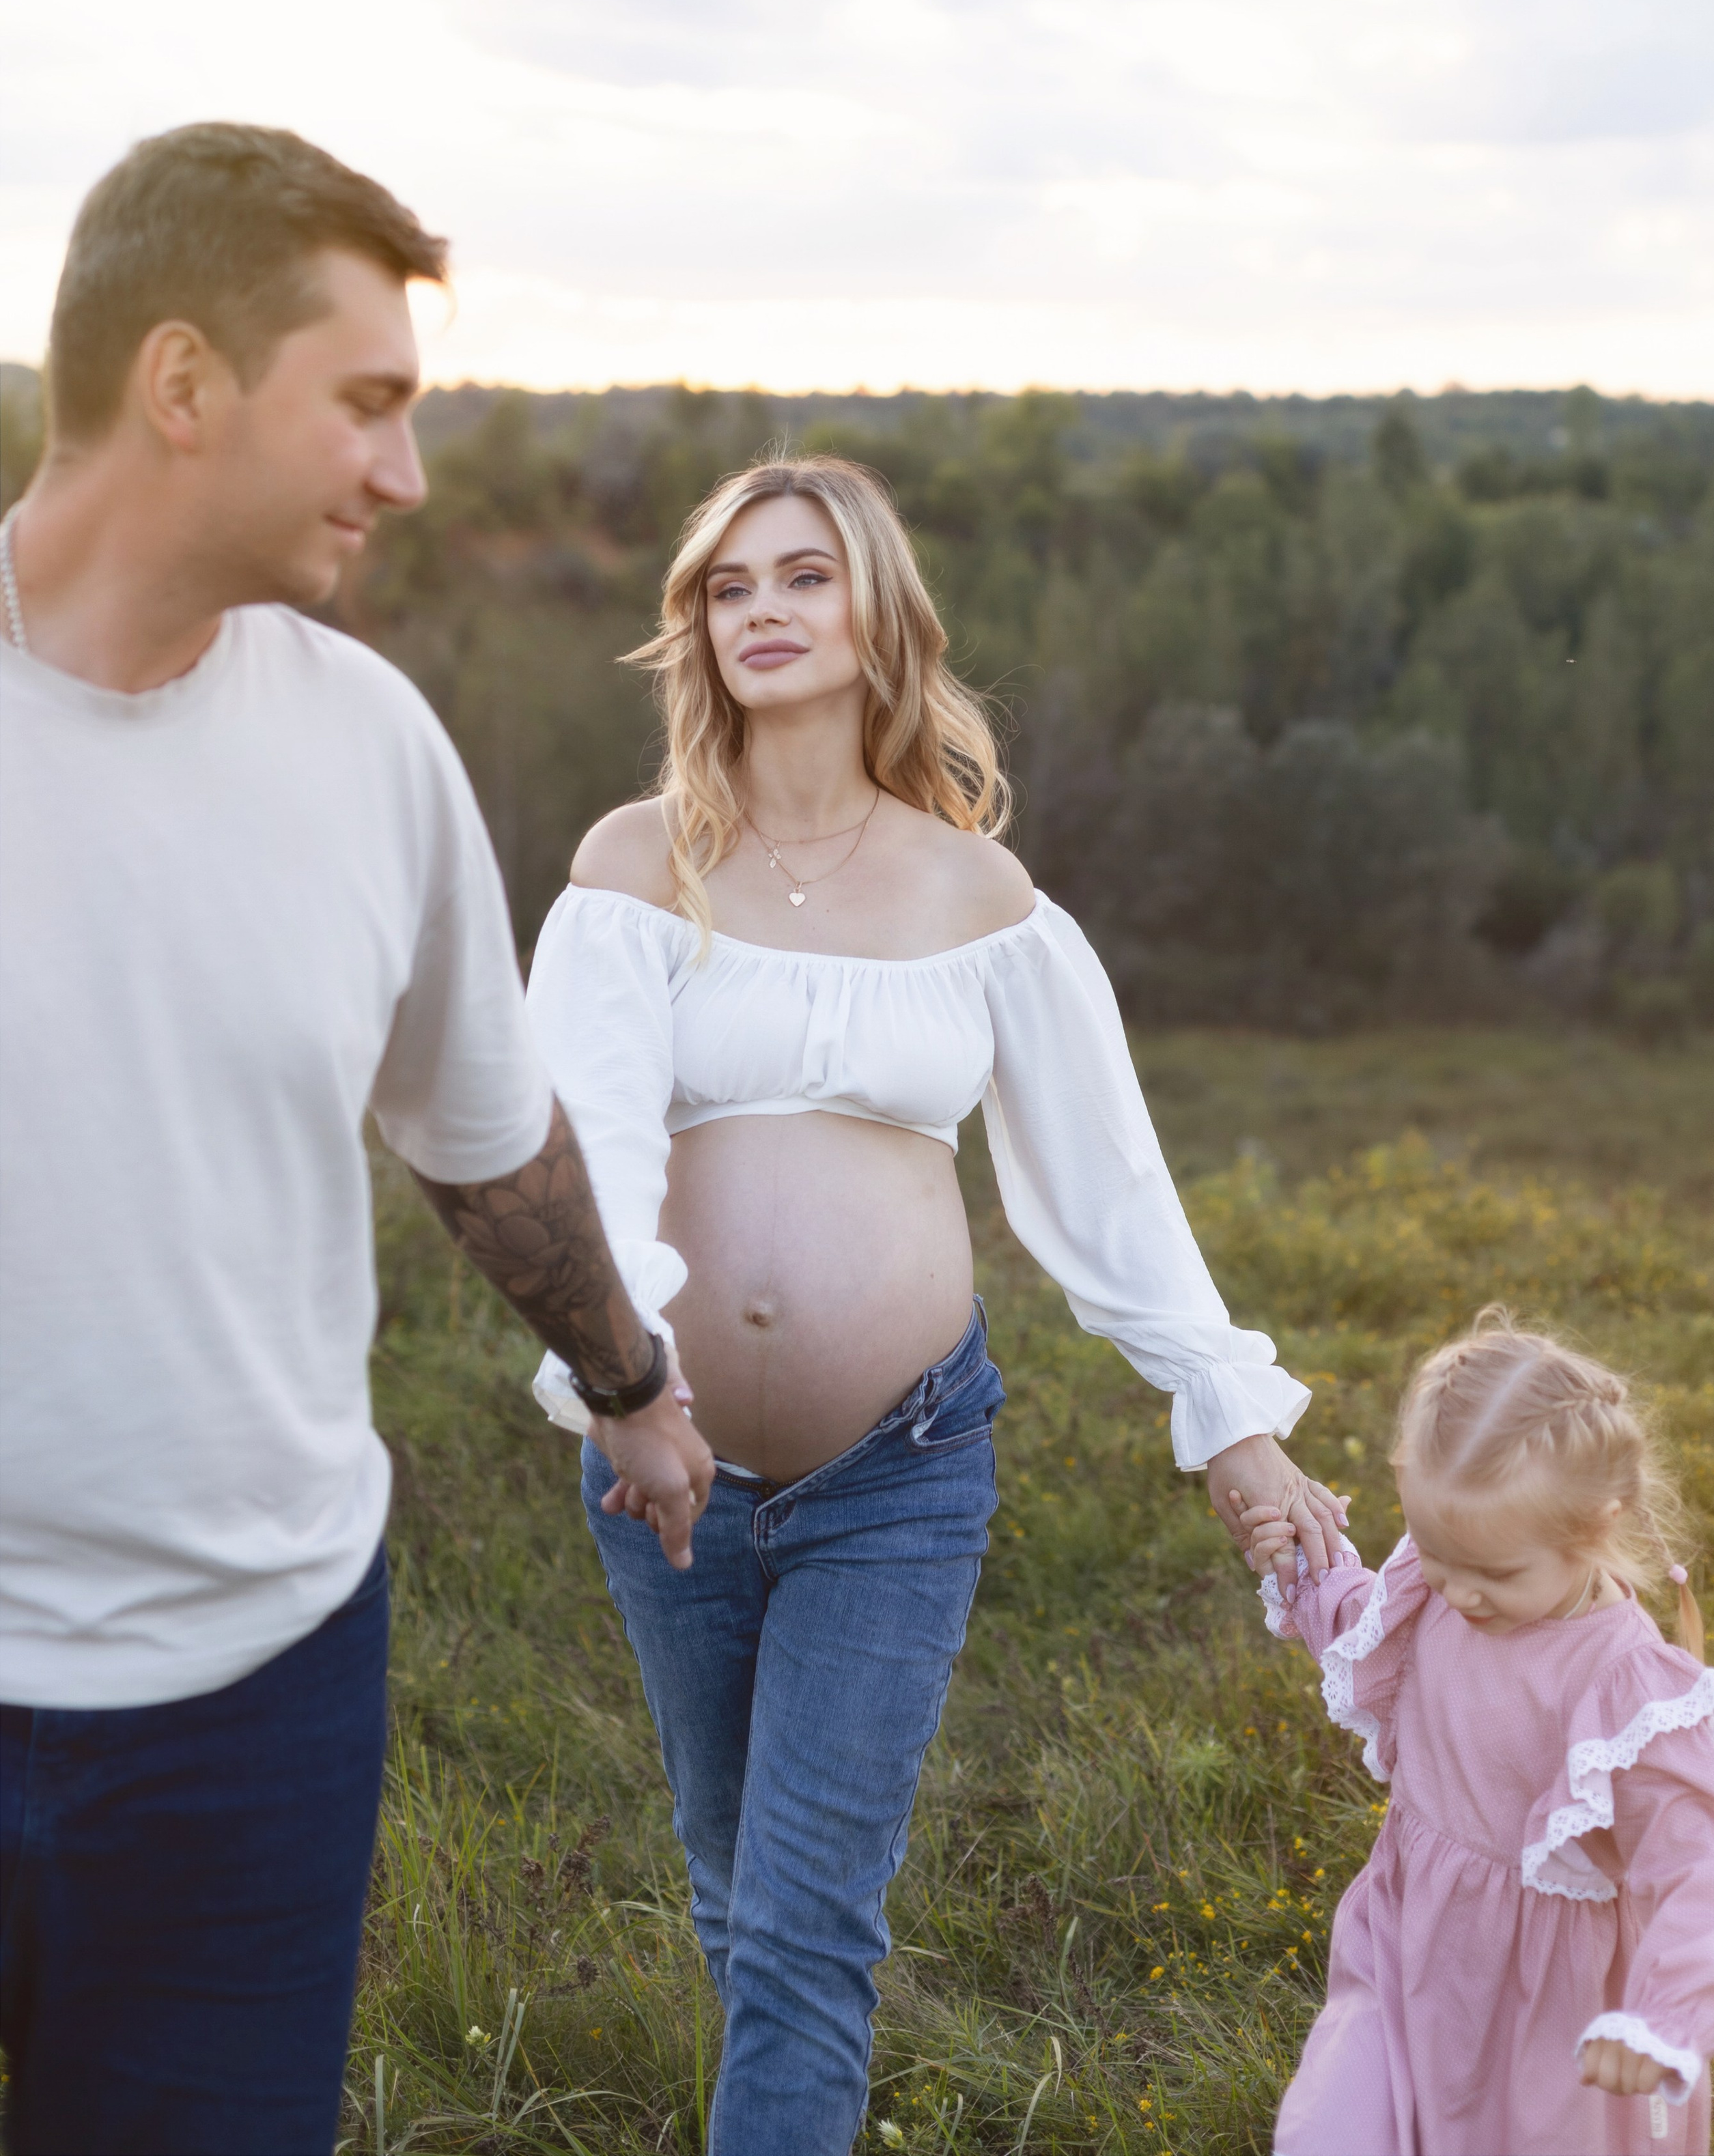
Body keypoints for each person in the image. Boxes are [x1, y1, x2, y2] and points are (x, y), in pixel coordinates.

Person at [0, 123, 713, 2156]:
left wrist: (634, 1382)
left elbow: (488, 1145)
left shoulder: (370, 746)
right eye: (371, 404)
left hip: (251, 1713)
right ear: (183, 383)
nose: (406, 473)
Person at [520, 449, 1348, 2155]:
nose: (761, 609)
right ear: (695, 626)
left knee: (809, 1924)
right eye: (727, 585)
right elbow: (585, 1160)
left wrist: (1234, 1429)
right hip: (660, 1461)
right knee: (739, 1892)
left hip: (897, 1471)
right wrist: (626, 1389)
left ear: (876, 605)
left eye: (802, 575)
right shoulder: (631, 864)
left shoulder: (979, 894)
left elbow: (1110, 1185)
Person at [1238, 1313, 1714, 2156]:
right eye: (1436, 1554)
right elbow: (1373, 1624)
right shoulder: (1439, 1585)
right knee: (1334, 2131)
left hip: (1550, 1999)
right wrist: (1305, 1566)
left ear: (1594, 1527)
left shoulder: (1624, 1690)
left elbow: (1702, 1864)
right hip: (1409, 1941)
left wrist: (1665, 2016)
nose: (1459, 1595)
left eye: (1494, 1574)